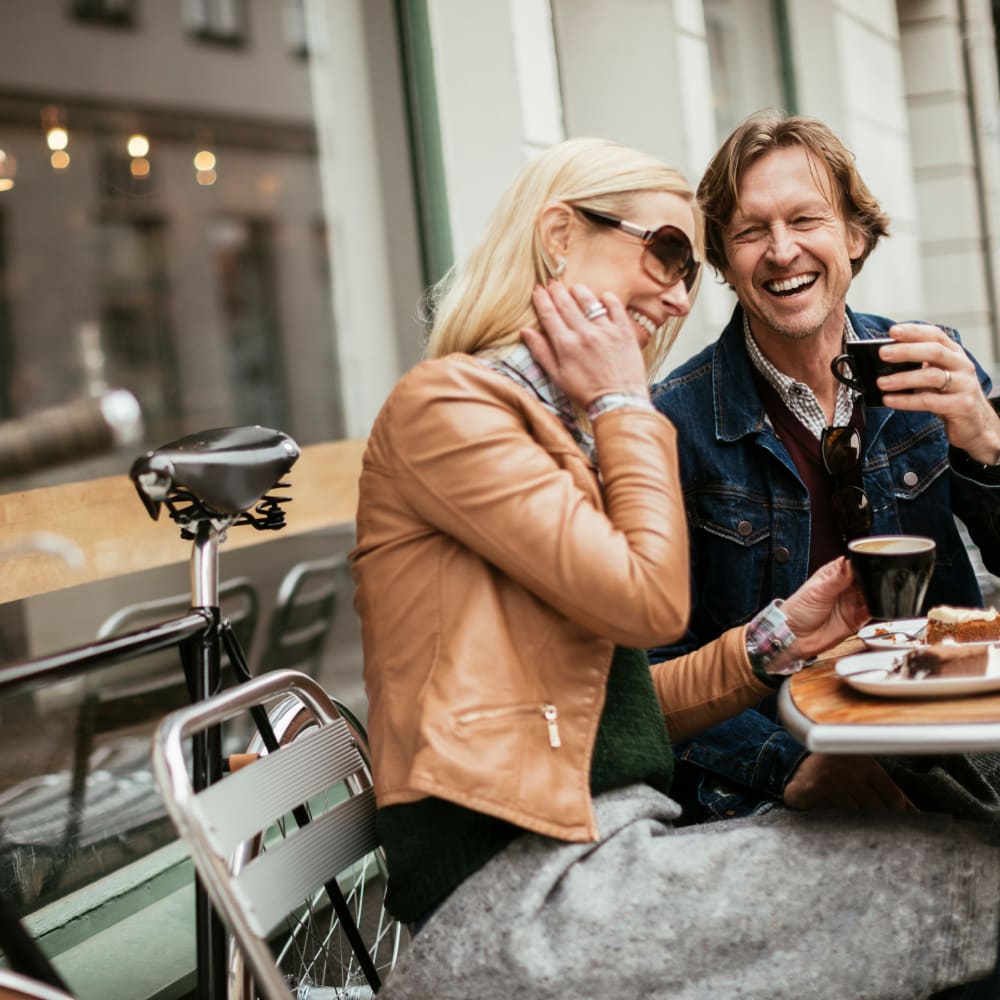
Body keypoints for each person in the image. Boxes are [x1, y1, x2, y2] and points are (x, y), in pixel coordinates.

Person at [350, 136, 1000, 998]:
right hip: (526, 884)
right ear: (557, 237)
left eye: (686, 267)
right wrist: (624, 399)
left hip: (616, 836)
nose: (675, 292)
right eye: (664, 250)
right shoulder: (458, 407)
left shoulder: (555, 429)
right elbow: (650, 609)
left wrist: (778, 634)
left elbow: (620, 708)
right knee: (973, 886)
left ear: (856, 237)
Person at [651, 109, 1000, 823]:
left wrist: (986, 443)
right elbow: (653, 673)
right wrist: (790, 769)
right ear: (723, 257)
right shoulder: (671, 422)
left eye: (806, 219)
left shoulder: (934, 364)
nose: (782, 252)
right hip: (778, 769)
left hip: (950, 727)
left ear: (856, 234)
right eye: (751, 231)